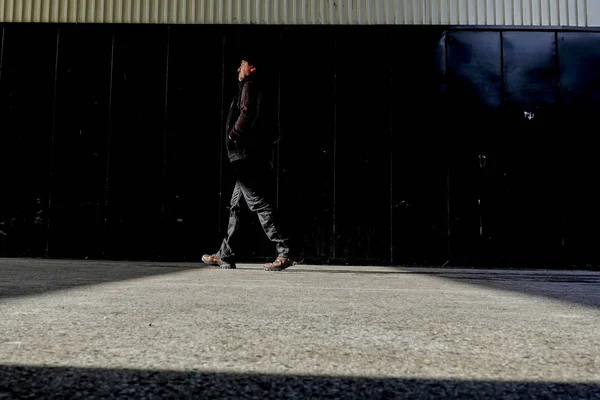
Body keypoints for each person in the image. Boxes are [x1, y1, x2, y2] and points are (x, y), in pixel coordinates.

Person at [202, 56, 297, 272]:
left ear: (252, 68)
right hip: (250, 156)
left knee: (258, 202)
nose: (238, 68)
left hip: (247, 156)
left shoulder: (250, 86)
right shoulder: (253, 87)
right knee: (237, 206)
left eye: (242, 64)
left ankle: (286, 251)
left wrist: (234, 134)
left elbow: (248, 112)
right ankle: (225, 254)